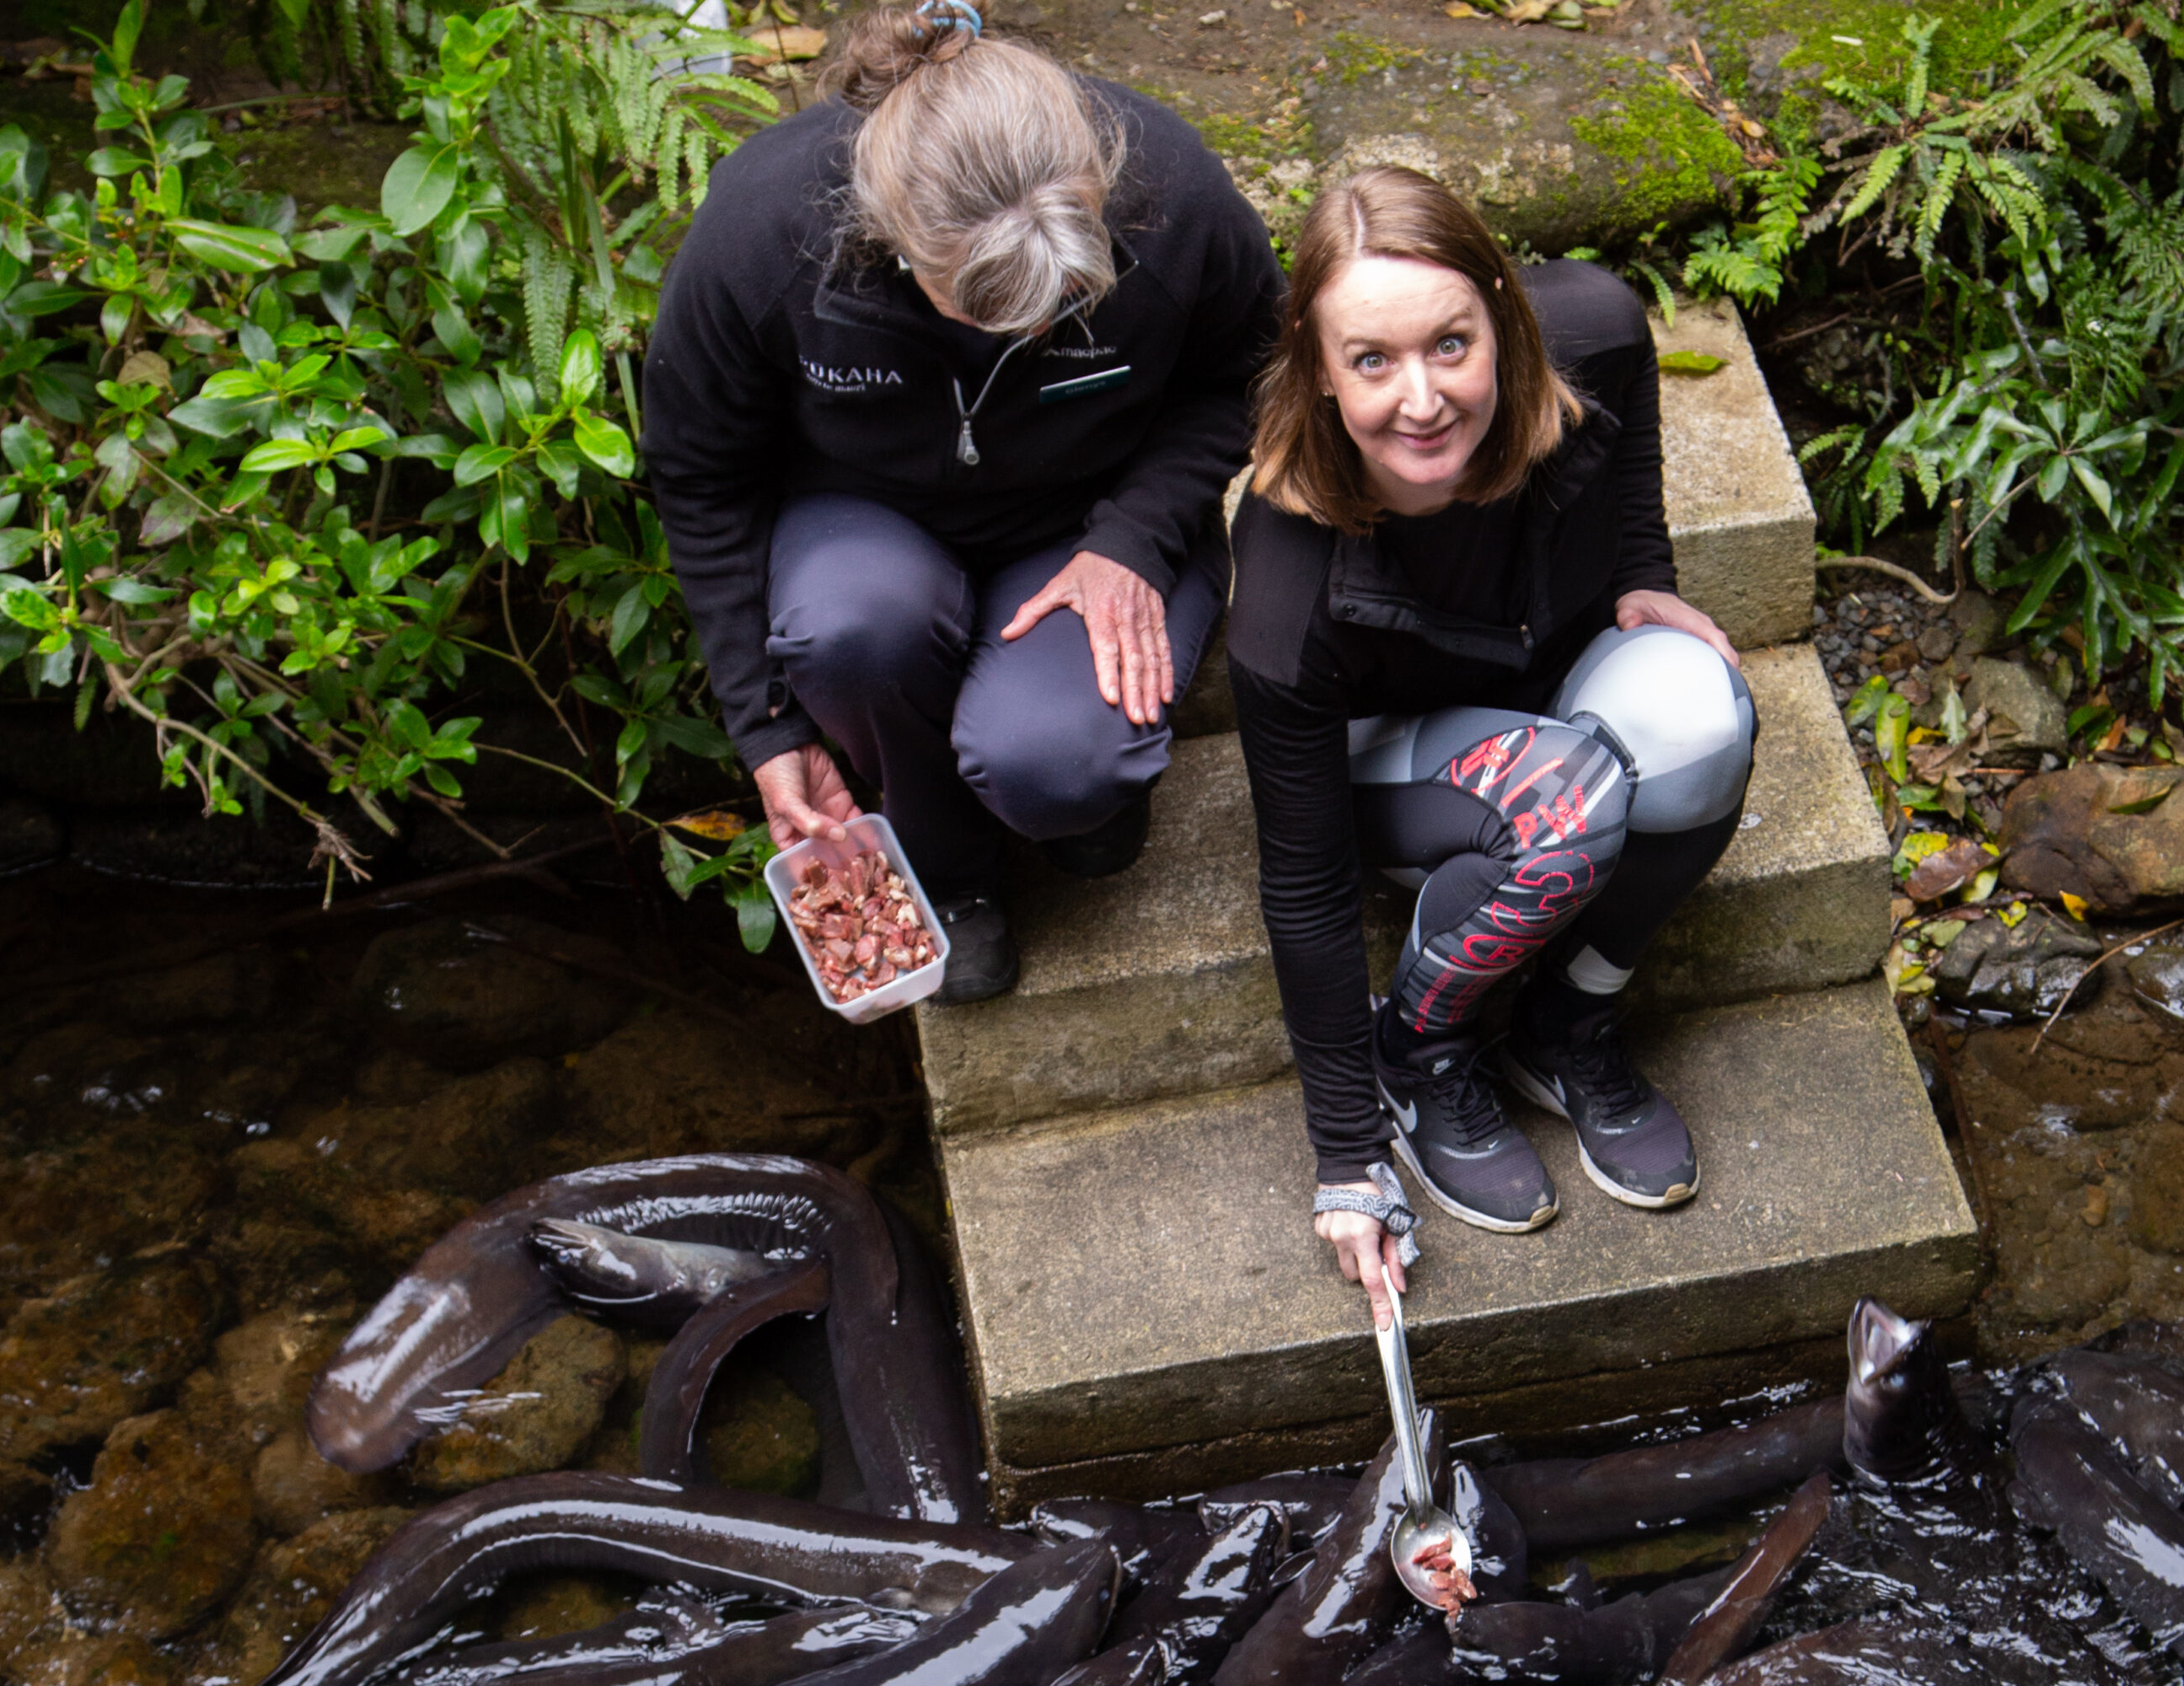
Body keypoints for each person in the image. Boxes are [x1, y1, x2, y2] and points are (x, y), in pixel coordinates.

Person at [643, 0, 1282, 1003]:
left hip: (1094, 514)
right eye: (982, 305)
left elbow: (1254, 361)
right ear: (890, 234)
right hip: (865, 526)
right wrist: (767, 728)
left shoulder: (1175, 189)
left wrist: (1137, 537)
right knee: (851, 630)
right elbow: (699, 470)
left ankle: (1069, 788)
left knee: (1059, 766)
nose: (1022, 331)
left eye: (1056, 301)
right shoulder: (766, 233)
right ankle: (952, 870)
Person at [1229, 167, 1757, 1327]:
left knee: (1706, 713)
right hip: (1397, 763)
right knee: (1567, 800)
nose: (1422, 399)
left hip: (1547, 689)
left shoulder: (1594, 335)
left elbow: (1625, 456)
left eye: (1450, 345)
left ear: (1506, 325)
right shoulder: (1286, 584)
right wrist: (1345, 1157)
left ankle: (1567, 1023)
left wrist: (1643, 578)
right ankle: (1418, 1048)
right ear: (1321, 372)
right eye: (1372, 361)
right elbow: (1307, 890)